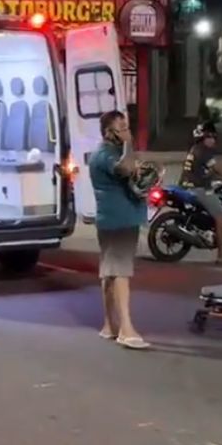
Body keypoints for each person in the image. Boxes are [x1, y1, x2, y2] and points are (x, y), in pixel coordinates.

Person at [89, 111, 150, 350]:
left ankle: (109, 325)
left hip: (113, 219)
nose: (127, 131)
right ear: (109, 132)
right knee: (121, 273)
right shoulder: (105, 154)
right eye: (122, 128)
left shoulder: (106, 153)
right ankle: (126, 329)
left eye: (127, 127)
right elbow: (125, 168)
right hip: (119, 220)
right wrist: (129, 145)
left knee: (110, 272)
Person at [180, 123, 222, 263]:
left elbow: (208, 170)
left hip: (188, 185)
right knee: (221, 217)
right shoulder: (204, 151)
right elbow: (218, 167)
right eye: (209, 137)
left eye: (214, 137)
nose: (212, 140)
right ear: (203, 138)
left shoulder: (195, 149)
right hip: (198, 188)